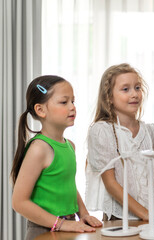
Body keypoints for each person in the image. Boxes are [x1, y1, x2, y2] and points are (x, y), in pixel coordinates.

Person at [11, 76, 102, 240]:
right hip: (43, 229)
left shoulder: (70, 146)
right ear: (40, 110)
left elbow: (68, 185)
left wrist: (84, 214)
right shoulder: (38, 149)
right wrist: (61, 224)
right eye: (64, 102)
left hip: (69, 224)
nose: (72, 107)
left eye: (73, 101)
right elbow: (19, 202)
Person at [85, 63, 154, 222]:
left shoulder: (151, 131)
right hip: (120, 218)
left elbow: (150, 177)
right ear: (109, 97)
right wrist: (145, 214)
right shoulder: (102, 131)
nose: (134, 94)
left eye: (137, 87)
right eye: (125, 89)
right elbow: (111, 183)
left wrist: (152, 214)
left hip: (152, 215)